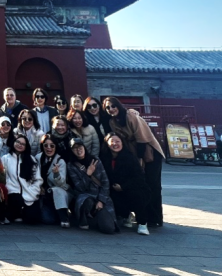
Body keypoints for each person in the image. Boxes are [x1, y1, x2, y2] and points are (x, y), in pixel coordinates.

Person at [104, 96, 165, 227]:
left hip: (149, 152)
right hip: (134, 152)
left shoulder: (130, 116)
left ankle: (155, 218)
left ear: (118, 105)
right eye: (108, 108)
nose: (111, 109)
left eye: (113, 106)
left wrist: (140, 160)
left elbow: (142, 139)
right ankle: (143, 215)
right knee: (142, 184)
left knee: (153, 184)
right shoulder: (113, 122)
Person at [101, 133, 151, 235]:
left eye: (118, 141)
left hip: (133, 187)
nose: (115, 144)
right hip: (113, 188)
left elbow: (139, 178)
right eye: (112, 141)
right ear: (107, 144)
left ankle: (142, 223)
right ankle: (126, 215)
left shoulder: (130, 157)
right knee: (110, 198)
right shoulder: (104, 158)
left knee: (136, 195)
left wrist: (123, 187)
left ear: (122, 143)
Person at [67, 137, 118, 234]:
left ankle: (97, 219)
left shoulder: (95, 160)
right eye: (75, 148)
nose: (78, 150)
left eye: (80, 147)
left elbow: (105, 182)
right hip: (85, 195)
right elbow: (80, 187)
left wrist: (101, 200)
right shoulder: (71, 165)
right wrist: (88, 175)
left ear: (84, 147)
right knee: (86, 201)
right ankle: (84, 219)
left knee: (109, 229)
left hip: (100, 195)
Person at [1, 134, 43, 224]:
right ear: (13, 142)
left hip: (29, 193)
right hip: (12, 193)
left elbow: (38, 179)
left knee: (33, 219)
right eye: (18, 142)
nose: (20, 145)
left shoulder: (31, 159)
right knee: (15, 202)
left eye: (23, 144)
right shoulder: (5, 159)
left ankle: (22, 212)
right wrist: (9, 188)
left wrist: (33, 191)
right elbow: (3, 177)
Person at [35, 134, 71, 228]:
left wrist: (56, 174)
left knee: (57, 190)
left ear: (55, 147)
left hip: (57, 192)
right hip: (43, 195)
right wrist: (39, 187)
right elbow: (34, 176)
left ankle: (64, 216)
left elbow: (61, 184)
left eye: (52, 145)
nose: (49, 148)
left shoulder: (60, 161)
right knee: (48, 220)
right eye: (46, 145)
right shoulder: (38, 158)